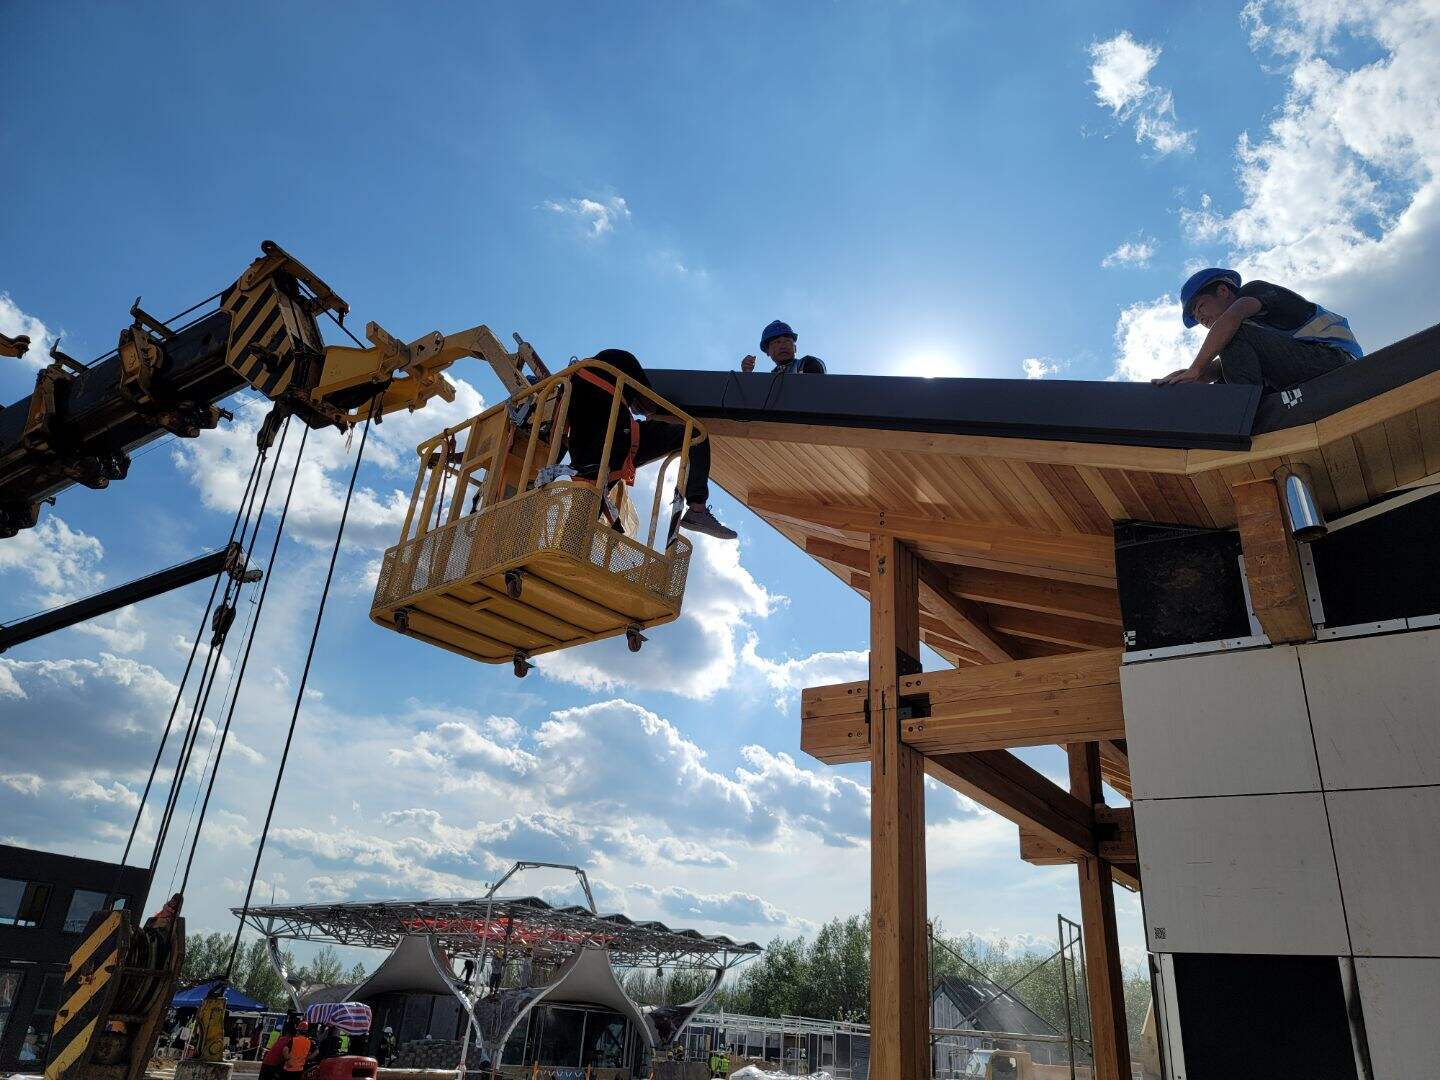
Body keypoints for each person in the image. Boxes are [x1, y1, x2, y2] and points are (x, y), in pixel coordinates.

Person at [567, 348, 737, 540]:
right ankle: (697, 509)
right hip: (621, 444)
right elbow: (649, 405)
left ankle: (566, 549)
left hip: (585, 459)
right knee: (695, 433)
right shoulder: (622, 358)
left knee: (585, 509)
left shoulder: (572, 379)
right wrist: (643, 403)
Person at [1154, 268, 1363, 391]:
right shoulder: (1247, 338)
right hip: (1302, 368)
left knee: (1230, 333)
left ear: (1223, 290)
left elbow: (1231, 320)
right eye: (1196, 318)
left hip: (1334, 361)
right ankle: (1237, 409)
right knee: (1224, 377)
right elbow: (1216, 368)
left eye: (1200, 307)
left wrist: (1196, 368)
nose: (1200, 318)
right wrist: (1173, 383)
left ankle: (1240, 412)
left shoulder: (1252, 294)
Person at [740, 320, 827, 374]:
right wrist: (747, 375)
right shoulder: (770, 380)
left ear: (795, 348)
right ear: (767, 351)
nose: (783, 346)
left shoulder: (807, 363)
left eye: (787, 341)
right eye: (777, 342)